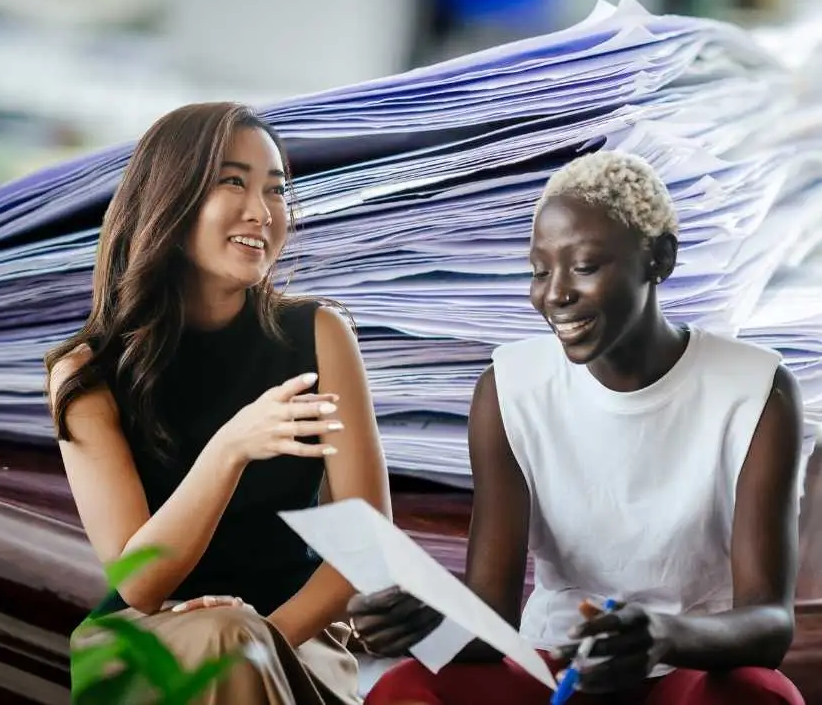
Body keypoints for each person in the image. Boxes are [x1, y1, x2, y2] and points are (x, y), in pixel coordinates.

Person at [348, 151, 805, 705]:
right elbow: (492, 613)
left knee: (761, 695)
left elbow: (770, 623)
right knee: (407, 688)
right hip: (554, 667)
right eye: (540, 271)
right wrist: (424, 622)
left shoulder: (757, 390)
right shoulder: (510, 389)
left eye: (585, 266)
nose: (555, 294)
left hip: (685, 666)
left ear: (658, 259)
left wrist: (664, 637)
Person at [47, 102, 390, 705]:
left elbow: (366, 543)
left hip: (295, 640)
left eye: (276, 190)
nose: (262, 212)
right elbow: (141, 585)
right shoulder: (86, 373)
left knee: (234, 641)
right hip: (146, 643)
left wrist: (260, 645)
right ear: (170, 201)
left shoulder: (319, 334)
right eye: (233, 181)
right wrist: (230, 449)